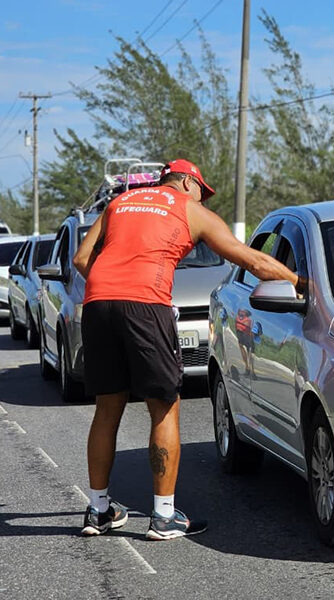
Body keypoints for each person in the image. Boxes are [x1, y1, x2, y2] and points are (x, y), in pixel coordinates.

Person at [73, 158, 303, 541]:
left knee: (107, 407)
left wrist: (111, 288)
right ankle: (163, 516)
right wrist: (301, 282)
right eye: (202, 191)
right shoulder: (189, 210)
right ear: (185, 183)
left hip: (98, 302)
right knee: (164, 407)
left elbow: (82, 259)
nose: (204, 200)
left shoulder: (120, 203)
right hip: (146, 305)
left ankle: (98, 510)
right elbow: (255, 261)